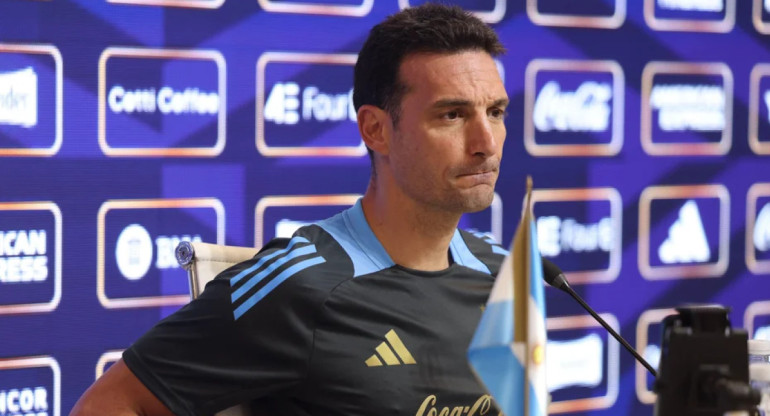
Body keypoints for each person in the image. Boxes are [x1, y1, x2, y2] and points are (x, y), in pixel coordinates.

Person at [71, 3, 510, 415]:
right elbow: (109, 404)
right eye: (452, 115)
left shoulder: (503, 274)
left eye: (495, 112)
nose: (485, 144)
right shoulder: (300, 285)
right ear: (375, 129)